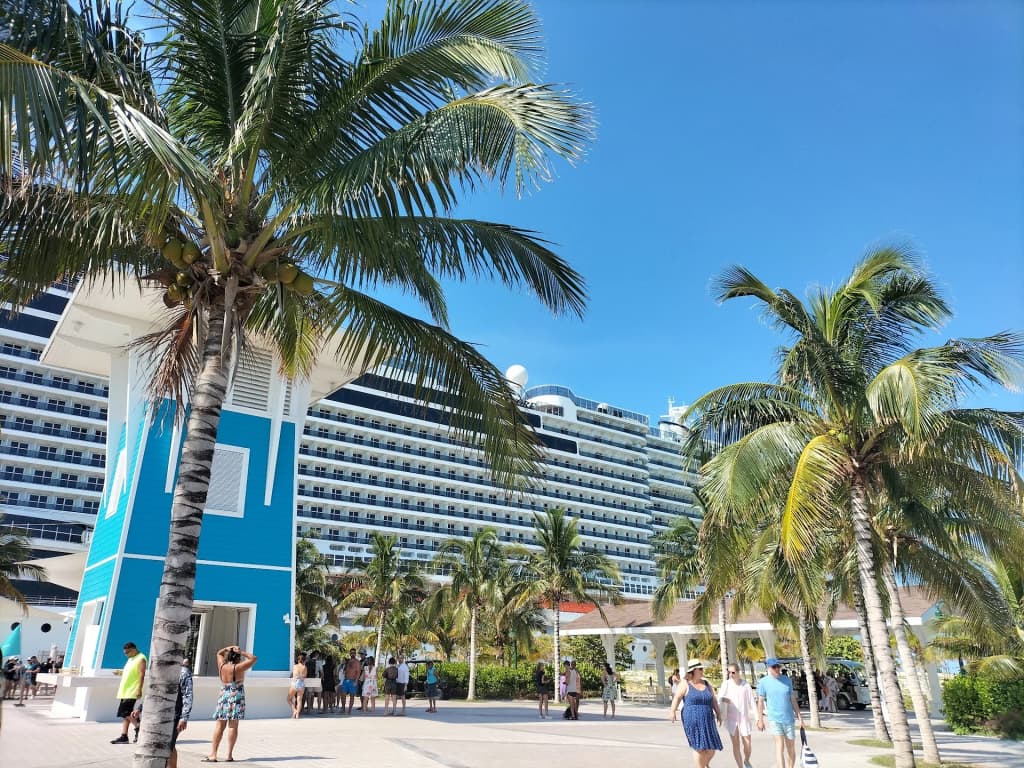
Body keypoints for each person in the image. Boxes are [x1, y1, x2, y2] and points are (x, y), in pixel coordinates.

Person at [206, 644, 257, 763]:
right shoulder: (239, 667)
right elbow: (253, 658)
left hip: (224, 694)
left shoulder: (222, 666)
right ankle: (229, 755)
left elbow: (219, 653)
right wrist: (241, 652)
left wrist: (228, 648)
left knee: (219, 726)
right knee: (233, 726)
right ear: (238, 658)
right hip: (236, 696)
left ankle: (213, 754)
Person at [669, 659, 723, 768]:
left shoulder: (706, 683)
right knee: (699, 747)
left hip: (708, 718)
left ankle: (704, 764)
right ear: (693, 671)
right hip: (692, 718)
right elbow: (677, 698)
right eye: (700, 669)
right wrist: (672, 711)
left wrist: (719, 714)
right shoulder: (685, 683)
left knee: (711, 748)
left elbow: (713, 700)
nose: (702, 671)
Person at [756, 657, 805, 768]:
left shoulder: (787, 680)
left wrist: (800, 717)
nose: (777, 669)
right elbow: (760, 701)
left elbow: (793, 699)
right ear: (768, 668)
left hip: (788, 719)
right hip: (774, 719)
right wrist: (760, 720)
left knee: (791, 748)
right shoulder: (763, 682)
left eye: (778, 666)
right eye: (774, 667)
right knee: (779, 747)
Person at [719, 664, 756, 768]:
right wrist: (723, 700)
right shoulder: (726, 684)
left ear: (738, 672)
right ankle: (740, 766)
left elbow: (752, 702)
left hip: (744, 718)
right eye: (729, 672)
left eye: (733, 672)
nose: (731, 675)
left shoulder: (745, 685)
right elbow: (719, 698)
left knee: (747, 744)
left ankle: (746, 760)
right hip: (731, 718)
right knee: (736, 744)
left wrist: (758, 718)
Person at [111, 642, 147, 744]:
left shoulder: (141, 658)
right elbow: (130, 672)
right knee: (126, 715)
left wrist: (139, 689)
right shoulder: (131, 659)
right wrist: (120, 672)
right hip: (125, 690)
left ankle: (139, 727)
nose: (126, 655)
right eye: (125, 653)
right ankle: (124, 736)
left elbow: (141, 674)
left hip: (132, 690)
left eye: (127, 652)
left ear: (134, 649)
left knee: (124, 712)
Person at [341, 648, 361, 715]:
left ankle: (349, 710)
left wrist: (356, 681)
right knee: (343, 695)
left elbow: (358, 672)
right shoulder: (348, 661)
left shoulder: (357, 662)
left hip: (353, 681)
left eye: (353, 652)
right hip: (345, 680)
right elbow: (344, 670)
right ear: (350, 653)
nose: (352, 654)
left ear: (355, 654)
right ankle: (343, 709)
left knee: (352, 696)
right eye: (351, 652)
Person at [288, 653, 307, 719]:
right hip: (301, 683)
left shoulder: (295, 666)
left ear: (298, 660)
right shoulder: (305, 667)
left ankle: (294, 710)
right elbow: (304, 676)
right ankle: (297, 715)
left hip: (295, 683)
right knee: (299, 700)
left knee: (289, 699)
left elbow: (292, 675)